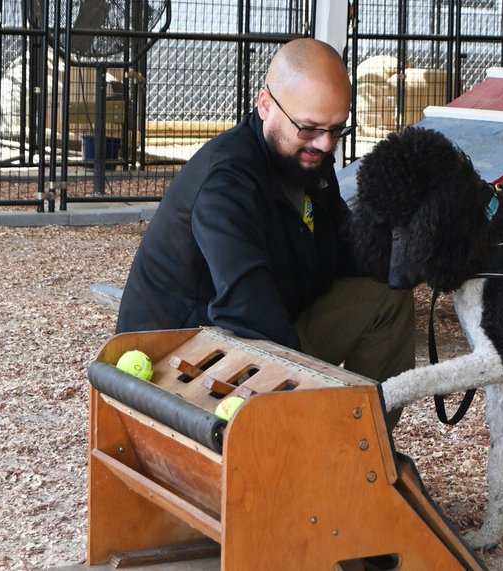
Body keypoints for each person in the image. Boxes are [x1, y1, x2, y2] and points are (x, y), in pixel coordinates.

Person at [116, 38, 416, 397]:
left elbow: (342, 250)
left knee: (388, 296)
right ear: (265, 105)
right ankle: (336, 440)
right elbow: (244, 307)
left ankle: (366, 442)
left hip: (251, 332)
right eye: (310, 128)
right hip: (184, 361)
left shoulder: (306, 162)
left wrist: (414, 254)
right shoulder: (226, 181)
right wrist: (304, 394)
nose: (324, 144)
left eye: (336, 129)